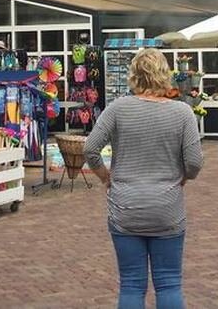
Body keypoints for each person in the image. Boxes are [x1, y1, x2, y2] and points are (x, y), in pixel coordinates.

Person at [83, 48, 204, 309]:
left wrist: (105, 177)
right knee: (169, 282)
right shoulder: (182, 112)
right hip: (167, 208)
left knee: (131, 284)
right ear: (165, 75)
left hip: (125, 207)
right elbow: (195, 161)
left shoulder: (117, 109)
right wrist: (185, 176)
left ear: (134, 75)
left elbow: (90, 148)